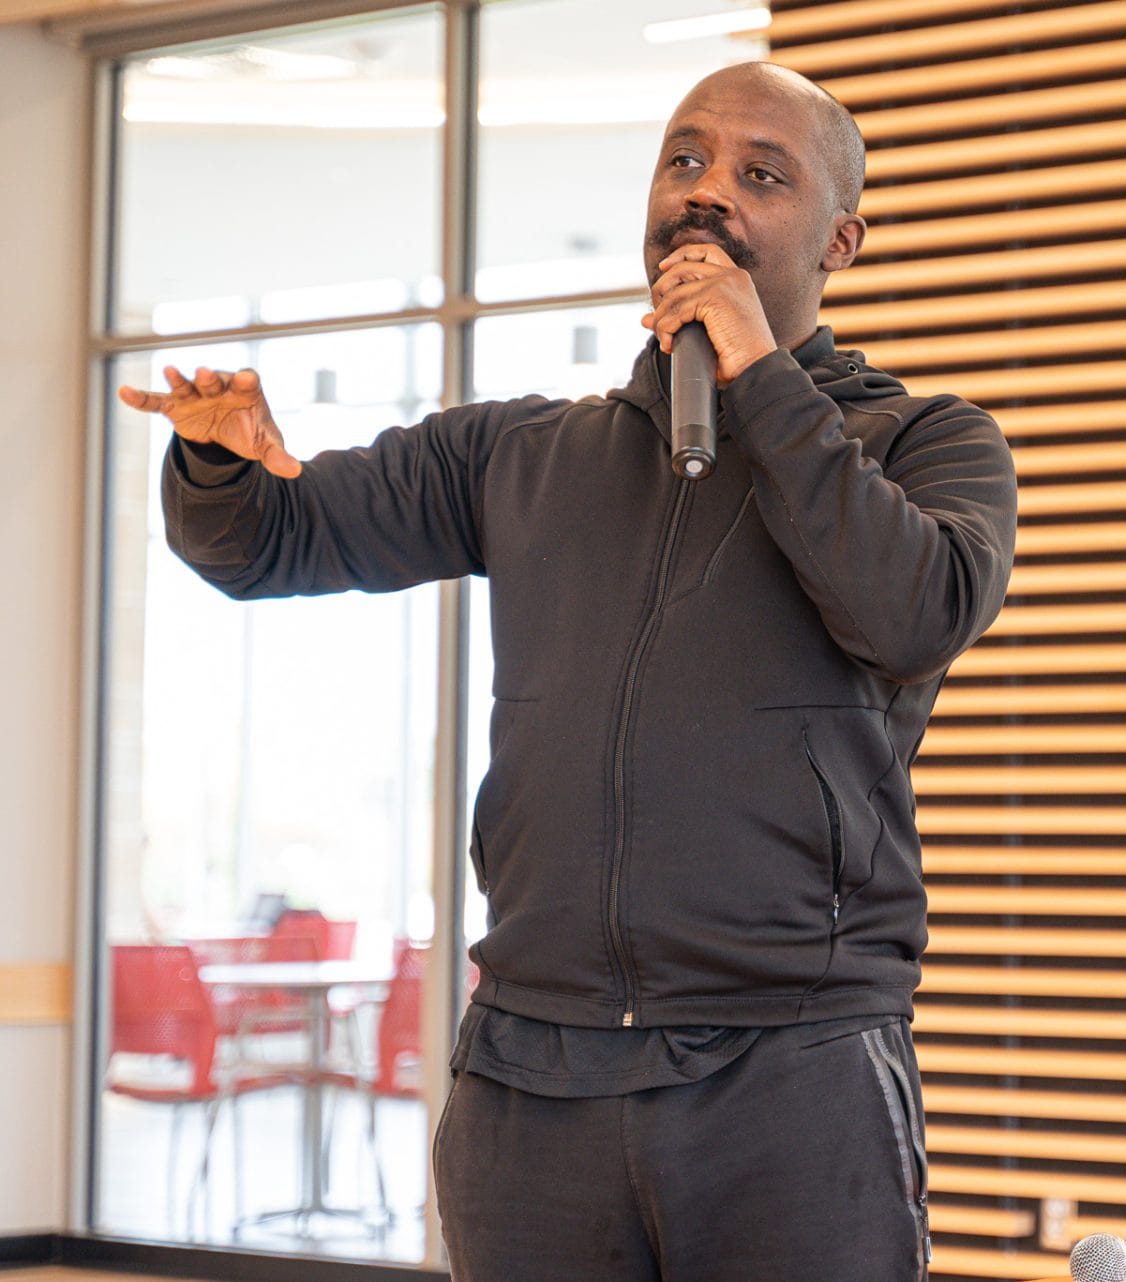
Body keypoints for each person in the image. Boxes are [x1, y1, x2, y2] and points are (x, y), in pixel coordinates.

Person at [121, 62, 1017, 1282]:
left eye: (762, 175)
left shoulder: (923, 443)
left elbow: (913, 611)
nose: (708, 191)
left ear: (839, 241)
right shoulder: (522, 455)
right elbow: (269, 539)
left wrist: (762, 382)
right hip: (532, 1078)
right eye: (685, 159)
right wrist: (220, 466)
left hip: (791, 1073)